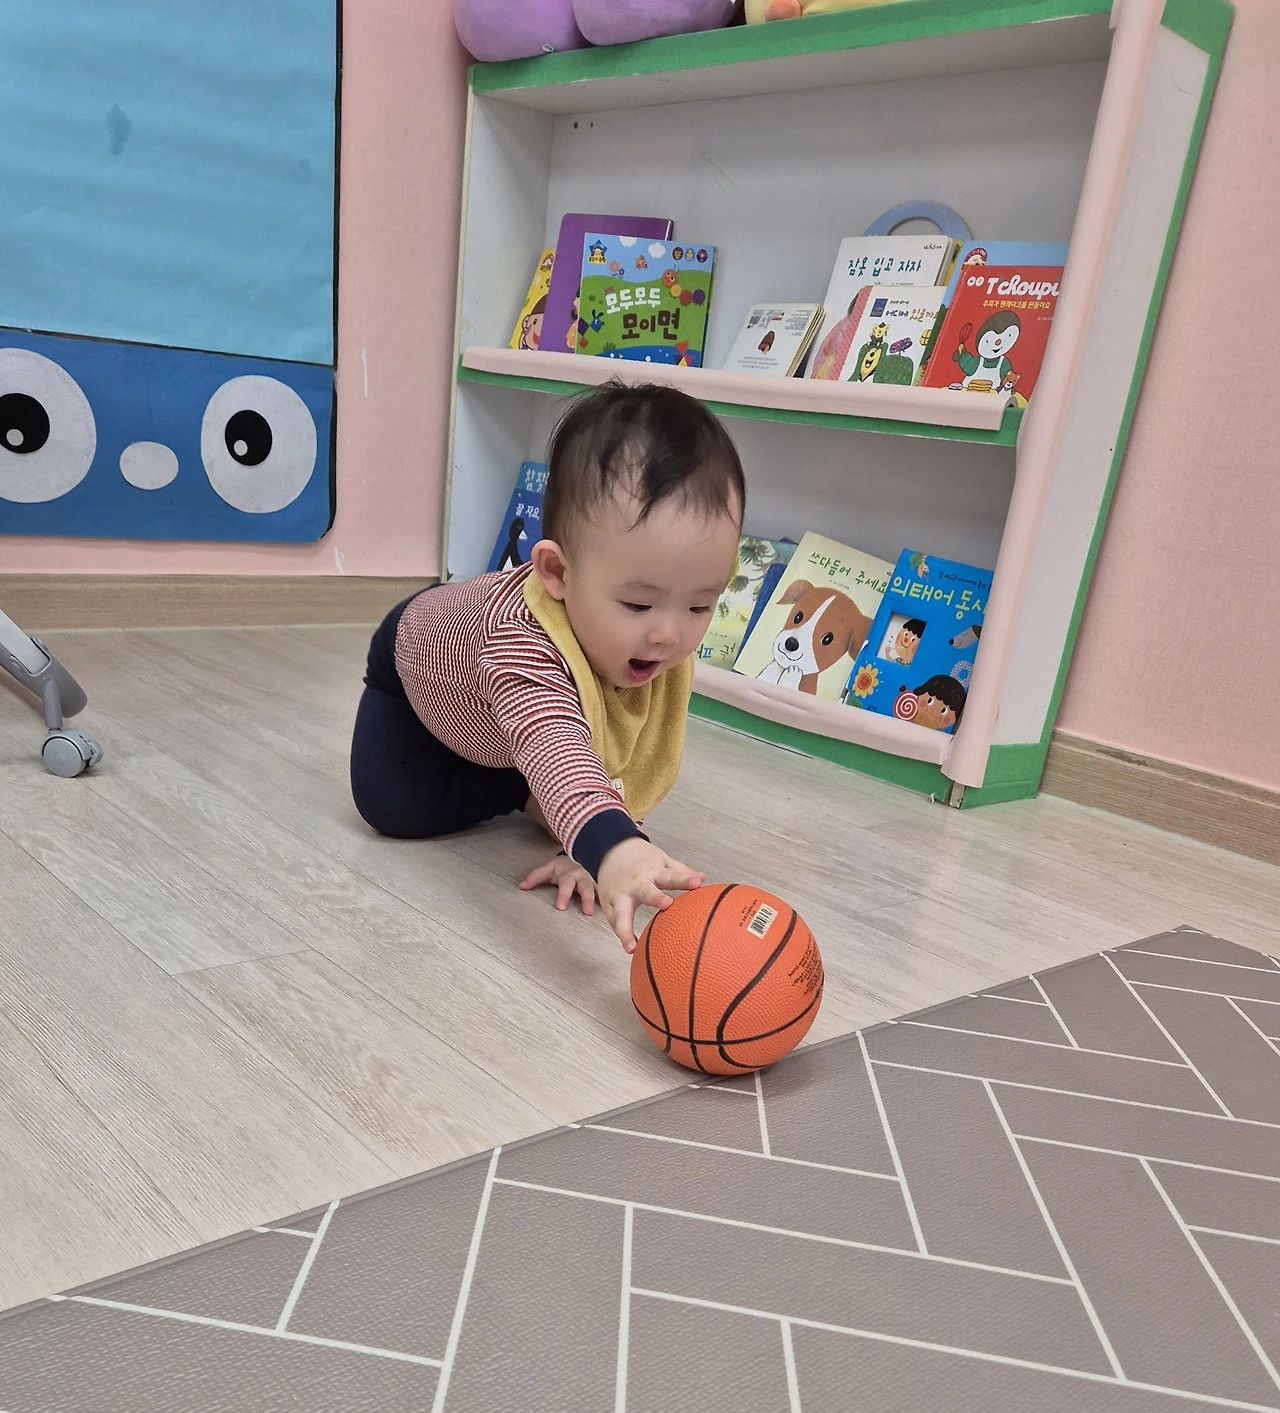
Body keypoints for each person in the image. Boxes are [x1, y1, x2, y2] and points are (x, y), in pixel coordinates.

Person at [350, 381, 745, 952]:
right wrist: (612, 847)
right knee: (393, 807)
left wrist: (588, 847)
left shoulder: (649, 642)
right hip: (417, 674)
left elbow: (622, 749)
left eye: (700, 606)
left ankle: (538, 786)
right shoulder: (519, 642)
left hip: (512, 723)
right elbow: (560, 745)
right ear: (557, 573)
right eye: (638, 604)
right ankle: (522, 783)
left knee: (555, 758)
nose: (669, 633)